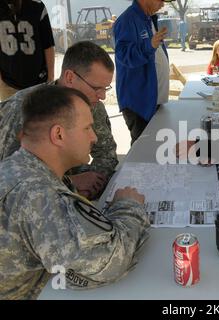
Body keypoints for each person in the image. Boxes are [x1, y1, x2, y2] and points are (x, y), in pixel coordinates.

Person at [0, 86, 150, 300]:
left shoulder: (21, 167)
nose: (94, 137)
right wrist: (129, 207)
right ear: (58, 134)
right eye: (87, 128)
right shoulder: (36, 193)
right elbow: (108, 262)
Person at [0, 41, 118, 200]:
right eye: (97, 88)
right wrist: (70, 183)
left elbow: (107, 154)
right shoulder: (22, 109)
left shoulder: (92, 104)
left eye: (106, 88)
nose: (102, 96)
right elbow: (8, 178)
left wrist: (93, 184)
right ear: (70, 77)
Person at [114, 0, 169, 145]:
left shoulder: (148, 18)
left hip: (152, 101)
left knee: (153, 148)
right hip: (139, 103)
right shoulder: (127, 20)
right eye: (160, 0)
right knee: (143, 151)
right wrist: (149, 45)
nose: (163, 4)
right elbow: (124, 56)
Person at [0, 0, 55, 101]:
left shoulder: (37, 6)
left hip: (39, 83)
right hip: (7, 84)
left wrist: (50, 77)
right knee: (11, 117)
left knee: (41, 116)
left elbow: (48, 45)